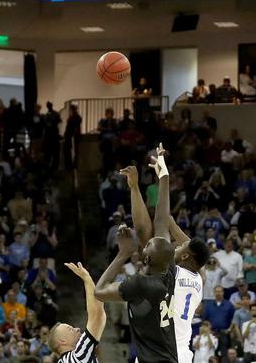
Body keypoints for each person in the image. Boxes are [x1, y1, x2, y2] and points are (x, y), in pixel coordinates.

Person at [122, 145, 211, 362]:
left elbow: (153, 227)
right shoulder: (199, 278)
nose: (176, 246)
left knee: (149, 238)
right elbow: (191, 247)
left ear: (184, 257)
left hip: (160, 352)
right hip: (180, 352)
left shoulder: (172, 271)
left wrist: (163, 176)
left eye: (179, 248)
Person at [93, 222, 177, 362]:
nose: (144, 244)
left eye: (147, 245)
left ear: (147, 259)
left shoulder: (140, 284)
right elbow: (162, 227)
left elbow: (99, 291)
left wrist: (123, 253)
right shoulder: (170, 273)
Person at [47, 262, 106, 363]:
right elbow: (97, 314)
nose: (78, 329)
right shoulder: (77, 356)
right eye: (70, 329)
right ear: (62, 341)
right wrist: (86, 278)